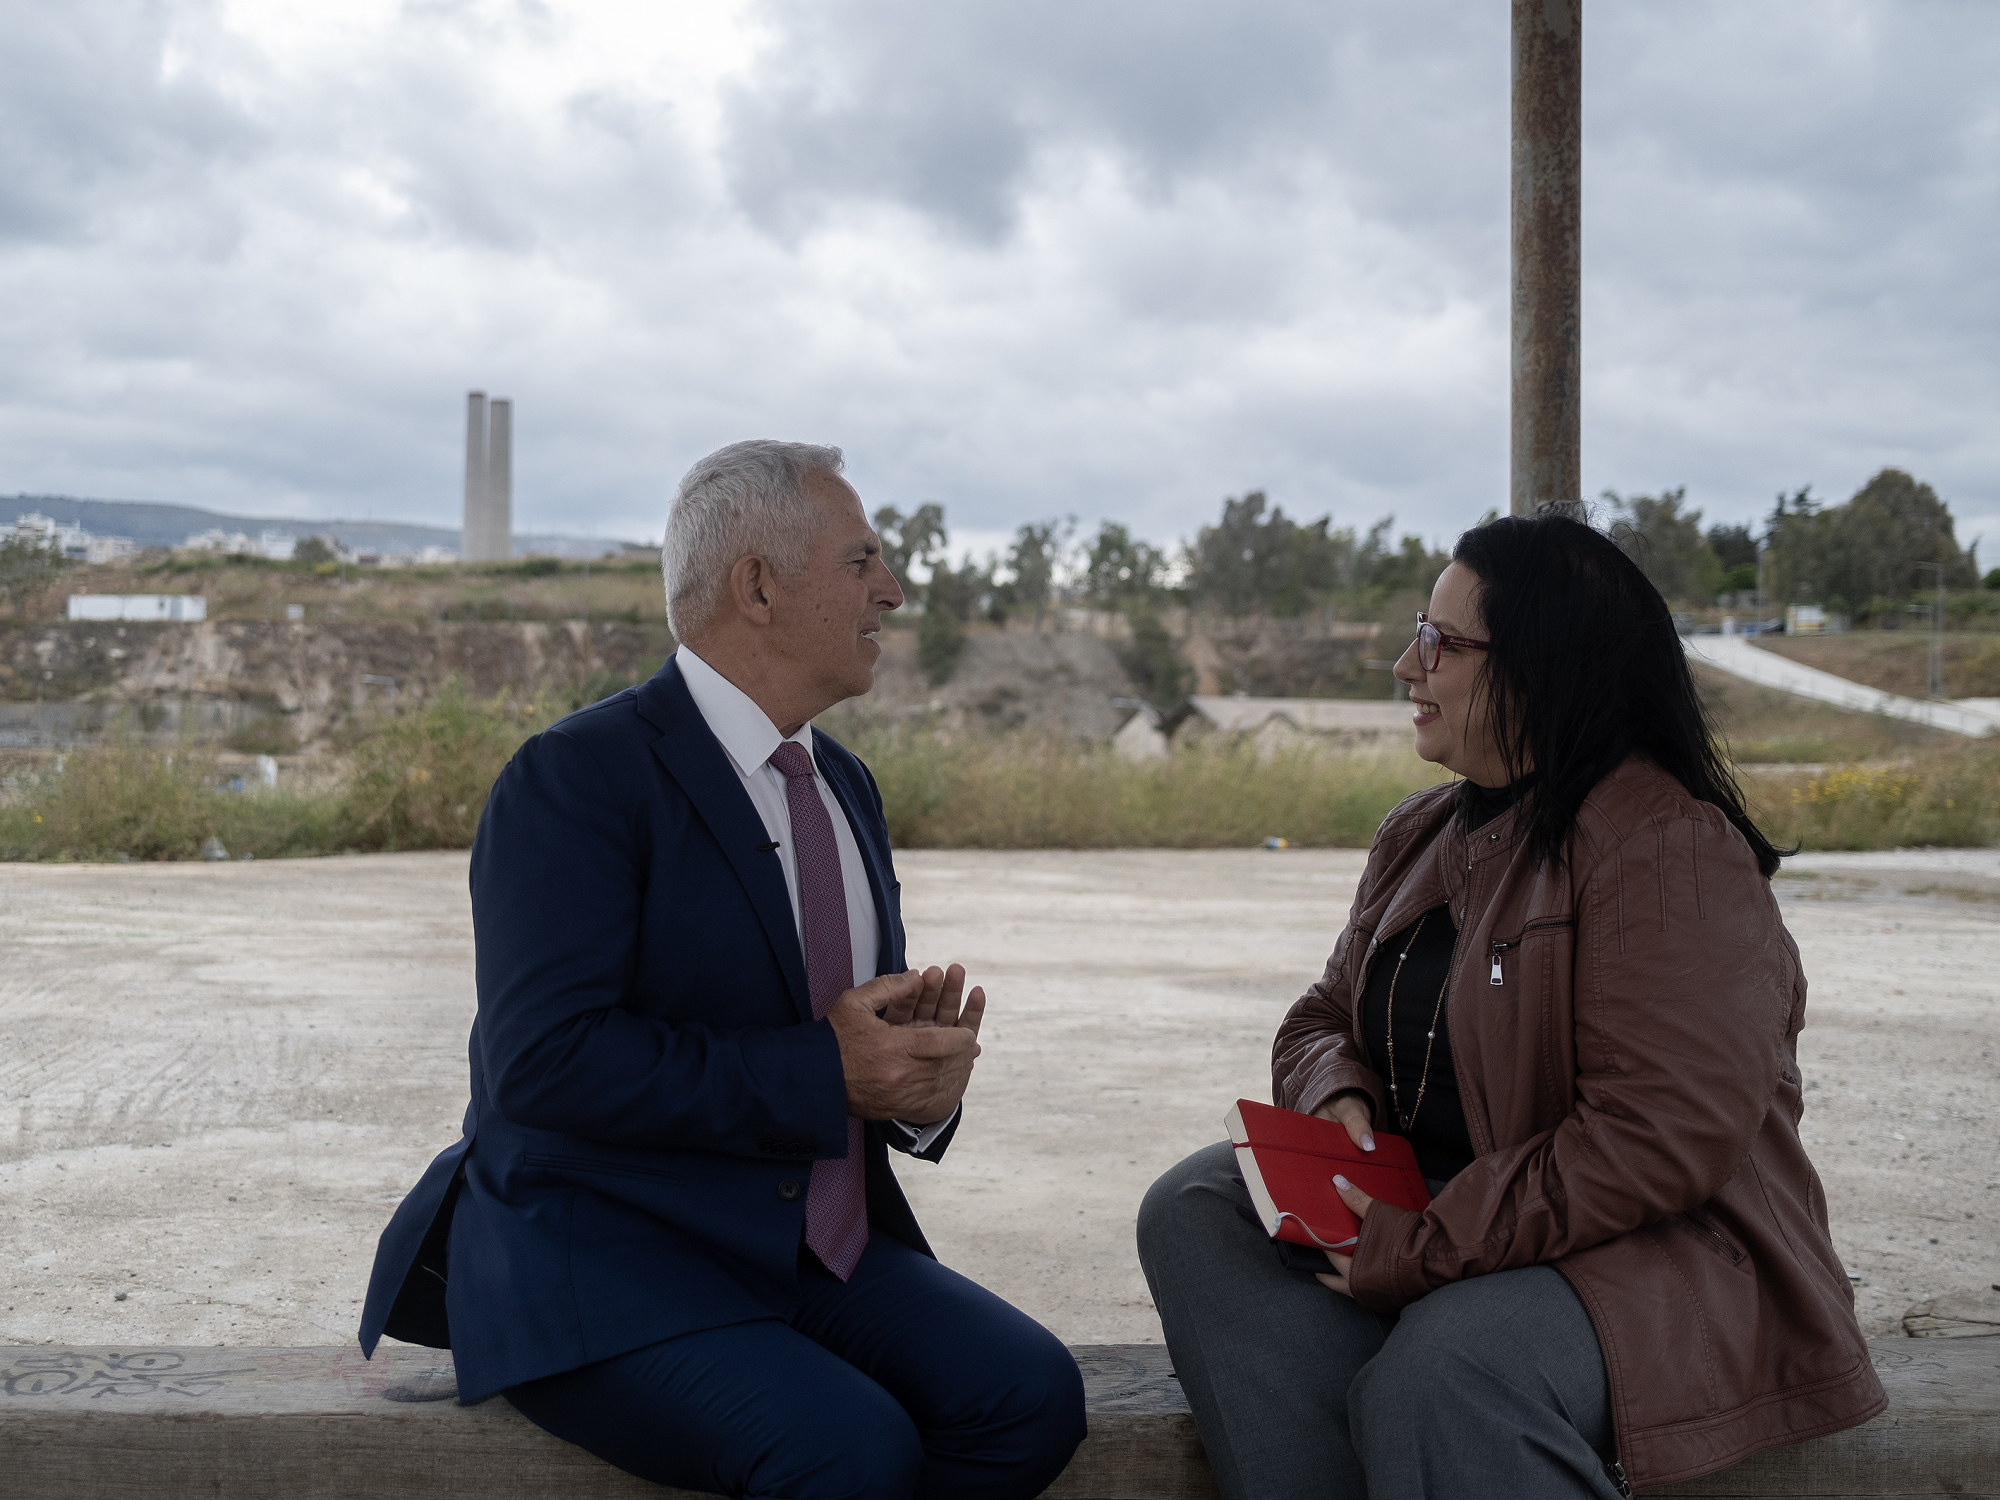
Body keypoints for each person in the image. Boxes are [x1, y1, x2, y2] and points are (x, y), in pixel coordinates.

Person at [359, 440, 1085, 1499]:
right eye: (861, 561)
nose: (891, 589)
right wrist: (827, 1071)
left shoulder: (843, 784)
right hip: (603, 1258)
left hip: (796, 1246)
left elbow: (847, 1040)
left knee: (1028, 1399)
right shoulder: (577, 777)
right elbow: (544, 1064)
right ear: (757, 586)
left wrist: (916, 1092)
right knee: (848, 1451)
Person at [1136, 510, 1883, 1499]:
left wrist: (1426, 1248)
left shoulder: (1667, 850)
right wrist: (1335, 1096)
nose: (1407, 666)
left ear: (1542, 667)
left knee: (1454, 1367)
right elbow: (1323, 1014)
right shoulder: (1418, 831)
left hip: (1650, 1247)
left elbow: (1660, 1139)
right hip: (1455, 1209)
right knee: (1197, 1207)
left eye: (1440, 642)